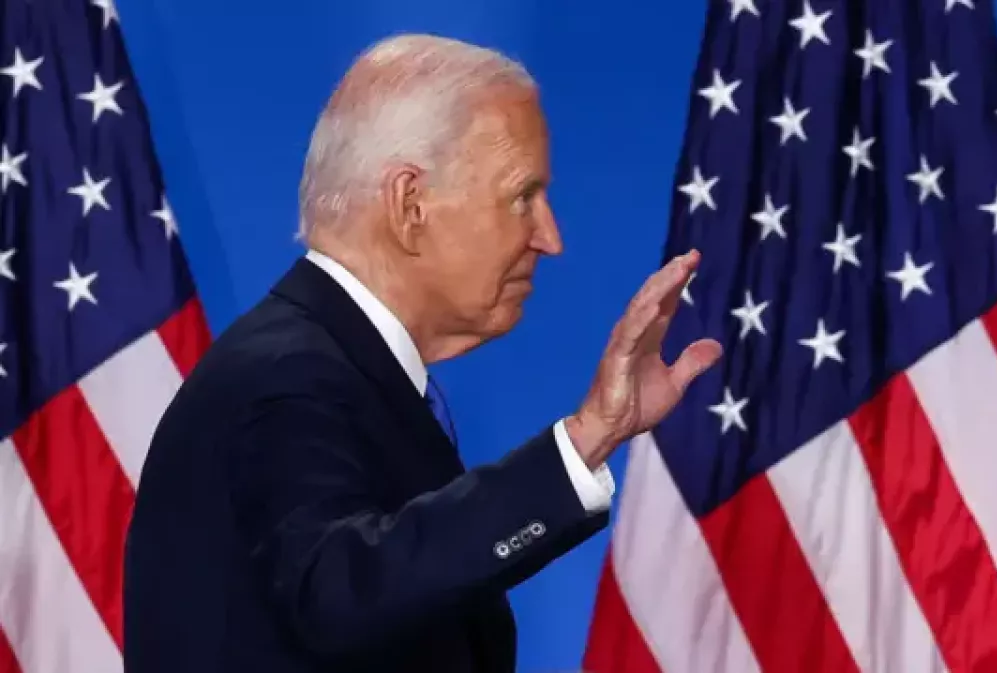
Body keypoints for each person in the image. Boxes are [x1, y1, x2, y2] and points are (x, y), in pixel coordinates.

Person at [122, 33, 721, 673]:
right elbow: (342, 593)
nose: (550, 238)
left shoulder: (340, 369)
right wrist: (587, 438)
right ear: (410, 205)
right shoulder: (287, 377)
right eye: (522, 197)